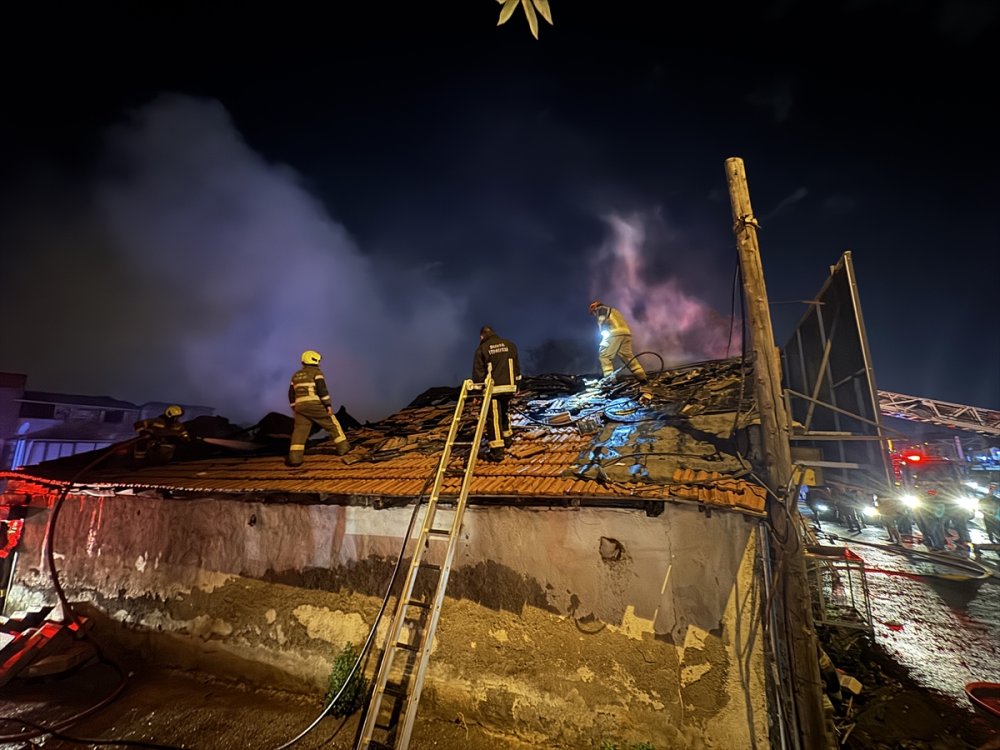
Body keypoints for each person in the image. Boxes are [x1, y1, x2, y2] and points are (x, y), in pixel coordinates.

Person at [287, 350, 350, 466]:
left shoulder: (295, 375)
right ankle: (344, 448)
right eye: (319, 361)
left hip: (299, 407)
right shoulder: (316, 373)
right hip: (314, 404)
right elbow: (322, 391)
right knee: (332, 423)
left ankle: (295, 459)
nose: (320, 363)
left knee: (299, 432)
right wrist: (328, 405)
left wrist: (294, 407)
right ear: (314, 360)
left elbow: (291, 393)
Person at [472, 326, 521, 462]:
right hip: (509, 388)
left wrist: (477, 393)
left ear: (482, 337)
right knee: (505, 412)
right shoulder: (510, 345)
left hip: (492, 390)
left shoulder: (482, 349)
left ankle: (497, 452)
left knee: (493, 419)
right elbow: (517, 368)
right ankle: (508, 440)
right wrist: (518, 386)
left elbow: (478, 374)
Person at [588, 300, 648, 383]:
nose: (594, 314)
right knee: (628, 357)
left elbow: (601, 320)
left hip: (614, 333)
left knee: (604, 356)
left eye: (593, 312)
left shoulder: (601, 309)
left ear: (594, 308)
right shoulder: (614, 310)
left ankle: (610, 381)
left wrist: (602, 331)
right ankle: (642, 378)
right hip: (626, 333)